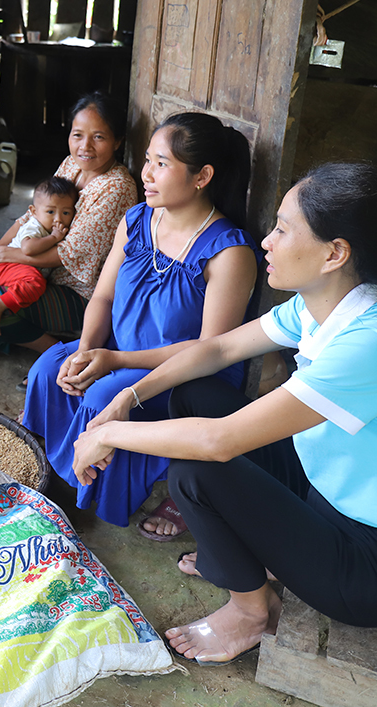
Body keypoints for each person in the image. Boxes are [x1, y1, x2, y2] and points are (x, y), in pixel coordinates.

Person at [72, 162, 377, 665]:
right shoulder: (326, 303)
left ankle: (252, 611)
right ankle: (257, 563)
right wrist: (129, 398)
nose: (267, 242)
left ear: (334, 253)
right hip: (332, 498)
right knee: (197, 394)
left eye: (282, 228)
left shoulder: (370, 342)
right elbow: (215, 351)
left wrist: (111, 435)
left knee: (196, 469)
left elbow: (219, 443)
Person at [23, 112, 258, 537]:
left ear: (202, 175)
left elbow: (209, 350)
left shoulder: (229, 253)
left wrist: (113, 360)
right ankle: (47, 467)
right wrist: (84, 349)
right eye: (147, 159)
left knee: (103, 394)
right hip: (118, 348)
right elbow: (104, 296)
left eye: (162, 164)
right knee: (47, 369)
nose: (146, 174)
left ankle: (82, 495)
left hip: (185, 374)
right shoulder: (136, 220)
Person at [0, 92, 139, 358]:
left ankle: (55, 354)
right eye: (78, 135)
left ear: (117, 142)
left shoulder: (117, 187)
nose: (85, 146)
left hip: (76, 292)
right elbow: (31, 218)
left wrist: (4, 255)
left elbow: (68, 255)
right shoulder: (71, 165)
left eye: (98, 137)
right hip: (37, 273)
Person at [0, 176, 78, 334]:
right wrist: (54, 238)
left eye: (66, 212)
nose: (58, 219)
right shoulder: (34, 227)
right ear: (34, 211)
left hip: (18, 269)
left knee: (35, 282)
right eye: (50, 211)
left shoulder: (49, 227)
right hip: (8, 266)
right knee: (35, 283)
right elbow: (28, 248)